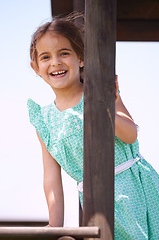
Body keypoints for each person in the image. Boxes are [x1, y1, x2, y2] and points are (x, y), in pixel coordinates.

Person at [27, 15, 159, 239]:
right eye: (46, 57)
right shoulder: (45, 120)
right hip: (93, 201)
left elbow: (130, 135)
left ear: (81, 58)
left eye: (64, 53)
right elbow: (51, 178)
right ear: (36, 67)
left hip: (135, 188)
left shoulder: (101, 89)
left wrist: (101, 104)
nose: (55, 62)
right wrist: (54, 225)